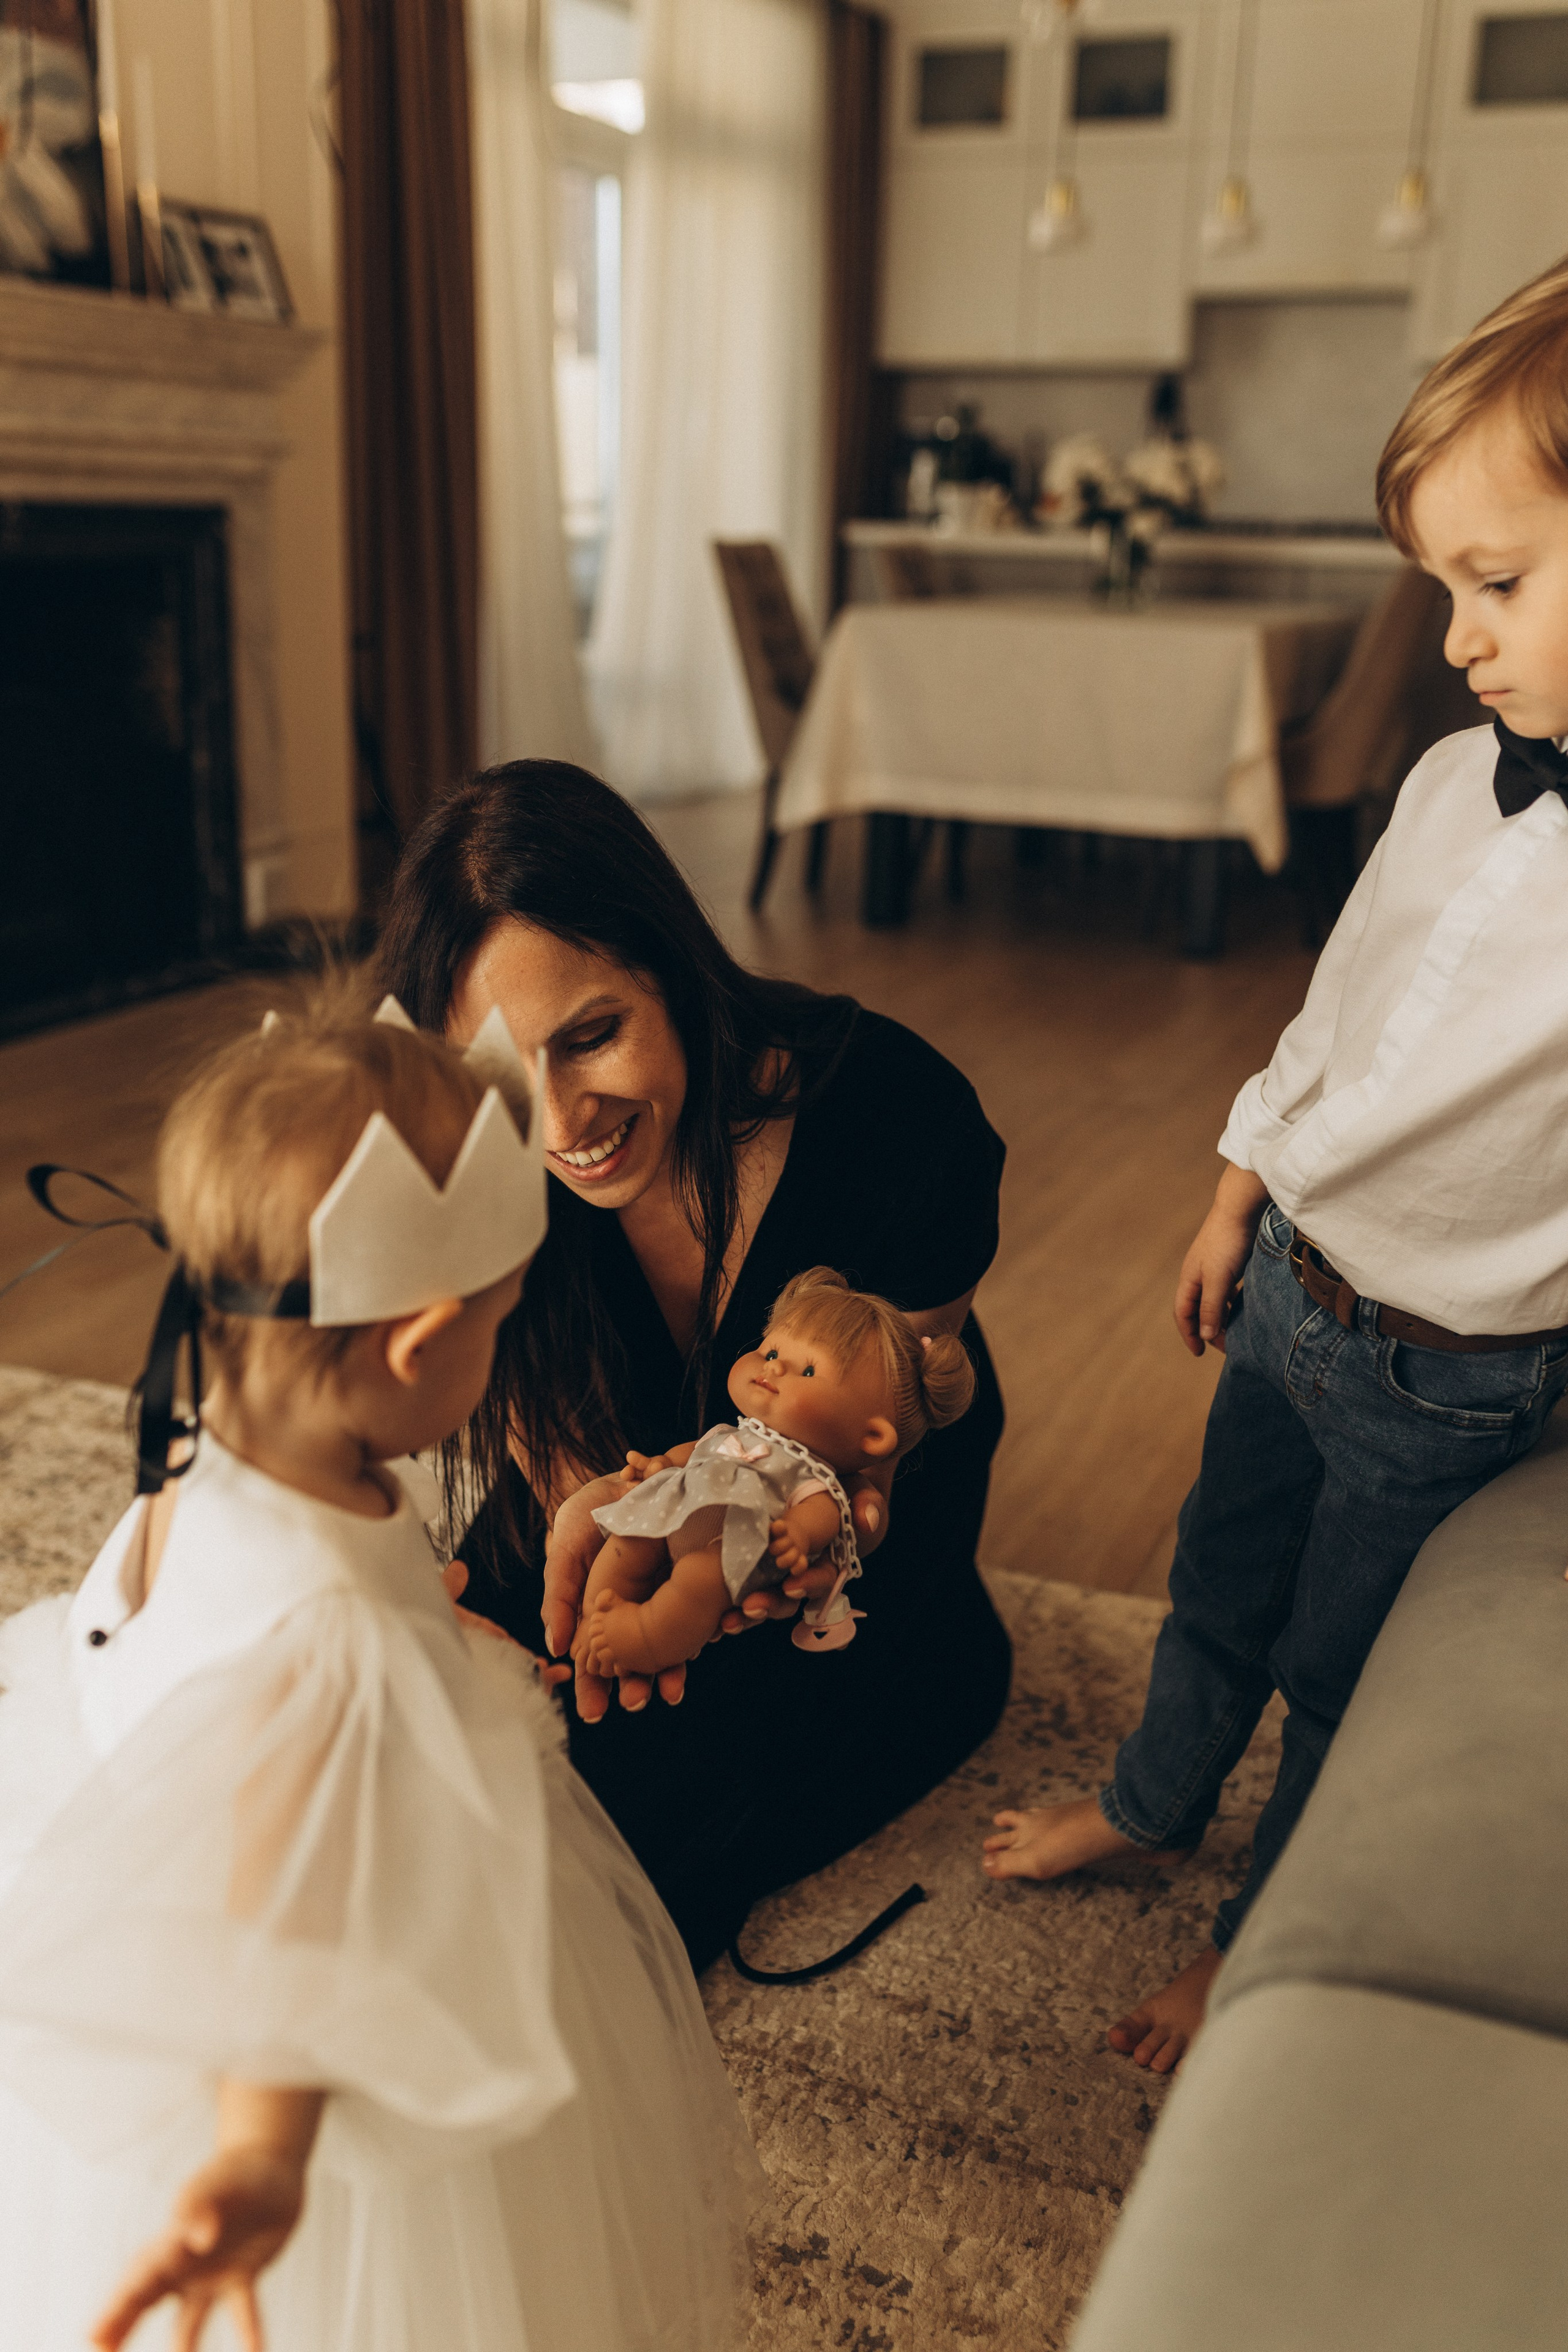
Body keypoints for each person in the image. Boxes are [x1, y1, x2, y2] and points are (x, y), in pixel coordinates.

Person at [982, 252, 1568, 2072]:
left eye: (1497, 582)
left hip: (1449, 1380)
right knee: (1211, 1579)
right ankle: (1154, 1797)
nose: (1459, 638)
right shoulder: (1439, 786)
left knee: (1341, 1672)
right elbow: (1336, 1013)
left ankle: (1256, 1943)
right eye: (1443, 590)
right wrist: (1240, 1182)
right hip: (1290, 1291)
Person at [0, 992, 763, 2351]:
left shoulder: (197, 1430)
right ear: (417, 1345)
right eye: (497, 1321)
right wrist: (261, 2155)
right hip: (279, 2028)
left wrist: (409, 1619)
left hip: (132, 1883)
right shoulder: (329, 1649)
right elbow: (290, 1915)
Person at [378, 761, 1011, 1972]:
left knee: (630, 1847)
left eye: (593, 1037)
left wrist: (779, 1557)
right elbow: (577, 1478)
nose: (561, 1123)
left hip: (845, 1524)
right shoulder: (479, 1145)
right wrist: (601, 1545)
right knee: (442, 1741)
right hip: (634, 1498)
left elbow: (908, 1407)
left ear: (669, 969)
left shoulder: (898, 1114)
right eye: (512, 1076)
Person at [578, 1266, 976, 1678]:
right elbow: (697, 1453)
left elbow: (823, 1514)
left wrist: (798, 1534)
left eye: (807, 1370)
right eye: (771, 1353)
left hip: (742, 1545)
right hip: (682, 1511)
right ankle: (596, 1613)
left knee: (700, 1579)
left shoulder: (812, 1476)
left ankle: (644, 1642)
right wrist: (662, 1465)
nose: (772, 1368)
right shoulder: (735, 1433)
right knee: (634, 1535)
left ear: (872, 1437)